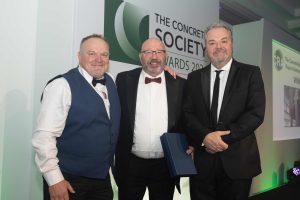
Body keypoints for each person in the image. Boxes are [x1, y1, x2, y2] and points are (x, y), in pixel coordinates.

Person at [183, 23, 266, 200]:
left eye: (223, 41)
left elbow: (256, 113)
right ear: (205, 48)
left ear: (232, 44)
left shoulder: (251, 73)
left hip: (238, 164)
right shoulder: (194, 78)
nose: (218, 46)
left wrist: (219, 139)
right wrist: (205, 137)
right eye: (212, 42)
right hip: (202, 166)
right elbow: (187, 114)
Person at [32, 34, 120, 200]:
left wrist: (163, 70)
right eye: (92, 53)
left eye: (104, 54)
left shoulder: (112, 82)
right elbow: (43, 137)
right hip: (68, 180)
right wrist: (54, 180)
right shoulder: (61, 86)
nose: (99, 59)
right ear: (79, 56)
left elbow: (139, 78)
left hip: (102, 180)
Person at [114, 38, 187, 200]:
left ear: (165, 56)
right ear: (141, 57)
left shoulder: (180, 84)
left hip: (165, 165)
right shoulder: (123, 79)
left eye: (158, 52)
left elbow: (187, 119)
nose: (154, 56)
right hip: (131, 163)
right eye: (148, 52)